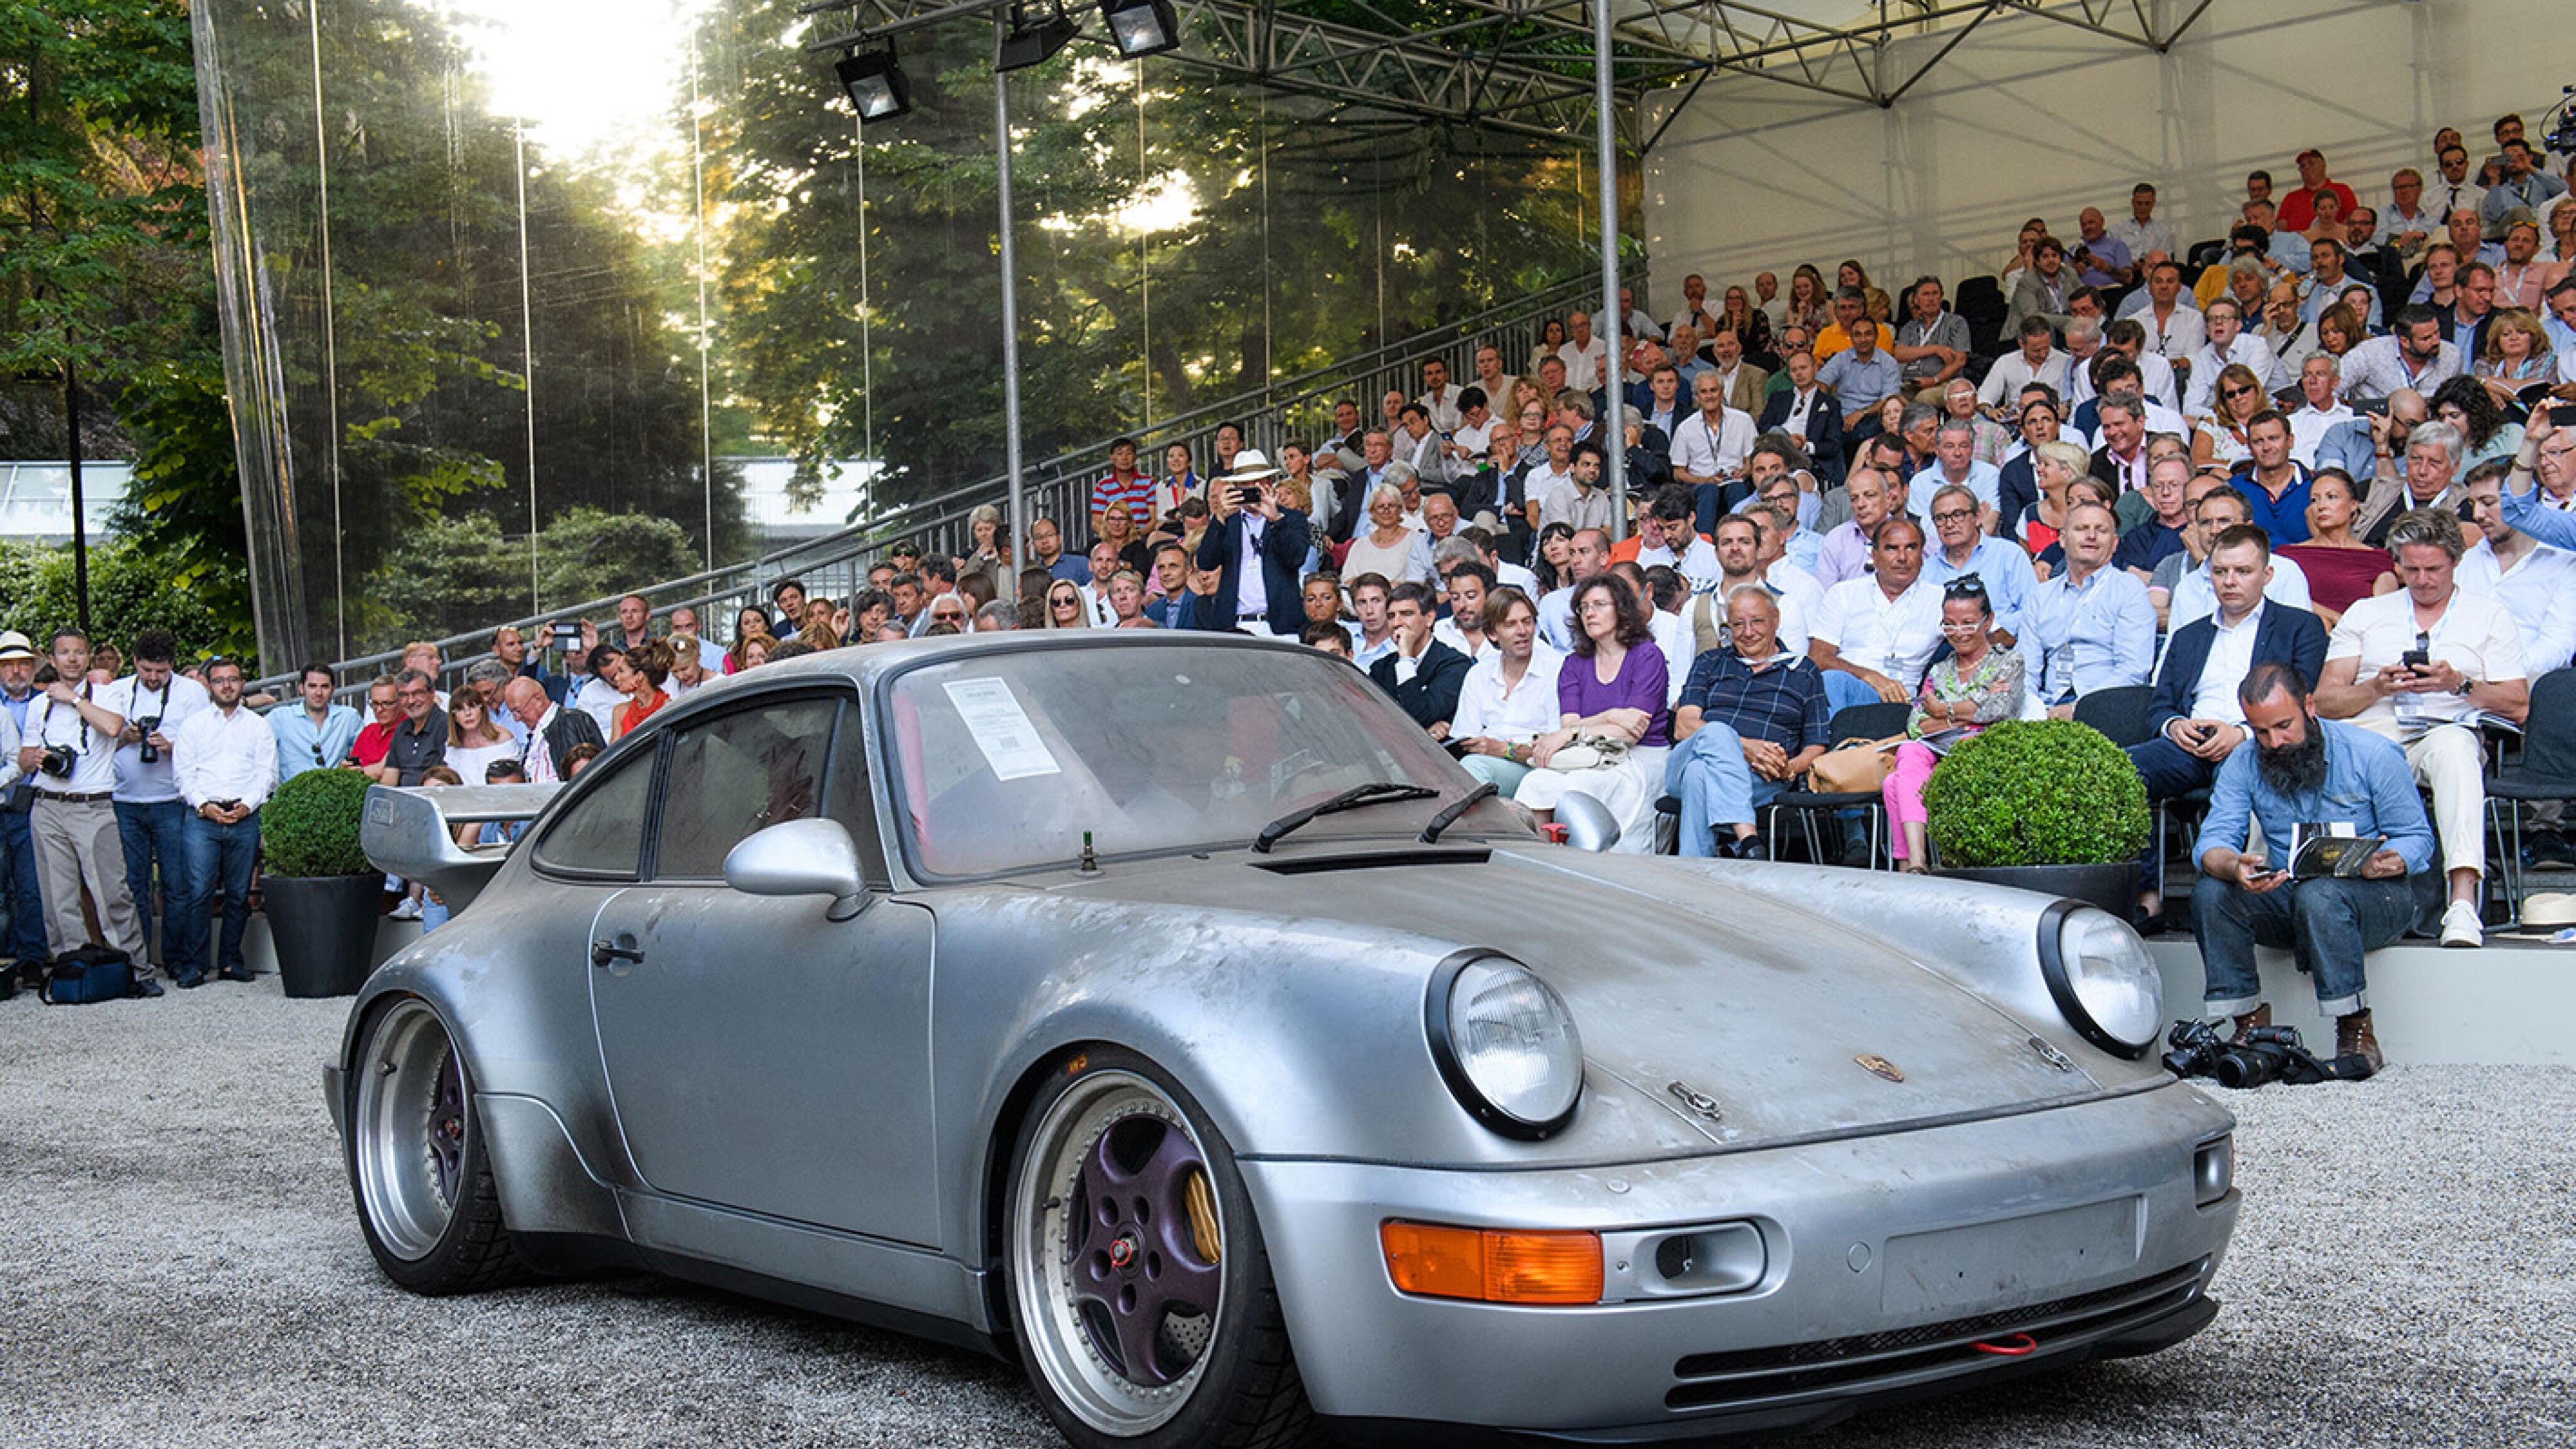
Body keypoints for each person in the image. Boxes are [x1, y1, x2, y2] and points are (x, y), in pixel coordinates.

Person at [2190, 660, 2434, 1071]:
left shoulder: (2373, 754)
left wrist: (2391, 861)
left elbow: (2418, 838)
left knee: (2320, 892)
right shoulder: (2244, 760)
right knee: (2211, 890)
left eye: (2284, 725)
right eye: (2262, 731)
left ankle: (2355, 1029)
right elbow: (2212, 843)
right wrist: (2233, 866)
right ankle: (2248, 1025)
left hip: (2375, 896)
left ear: (2309, 706)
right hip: (2292, 893)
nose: (2275, 742)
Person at [2315, 506, 2529, 949]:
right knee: (2344, 750)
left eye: (2434, 569)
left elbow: (2518, 705)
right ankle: (2333, 894)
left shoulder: (2488, 615)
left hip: (2446, 724)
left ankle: (2463, 901)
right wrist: (2376, 686)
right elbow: (2326, 702)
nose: (2423, 579)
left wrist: (2460, 683)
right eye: (2411, 569)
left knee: (2455, 748)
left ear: (2455, 561)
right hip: (2377, 725)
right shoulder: (2366, 612)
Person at [2128, 527, 2329, 924]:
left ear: (2266, 575)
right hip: (2190, 742)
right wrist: (2173, 726)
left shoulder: (2299, 627)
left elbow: (2303, 703)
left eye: (2242, 571)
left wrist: (2241, 731)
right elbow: (2160, 704)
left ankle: (2235, 895)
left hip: (2259, 742)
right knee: (2120, 771)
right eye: (2220, 572)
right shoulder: (2188, 635)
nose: (2230, 581)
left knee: (2243, 766)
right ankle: (2147, 896)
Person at [1665, 586, 1828, 860]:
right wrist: (1746, 748)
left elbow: (1816, 744)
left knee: (1699, 775)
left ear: (1776, 620)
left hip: (1762, 775)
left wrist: (1789, 769)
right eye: (1738, 624)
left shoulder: (1803, 671)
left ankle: (1693, 871)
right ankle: (1748, 837)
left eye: (1757, 622)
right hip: (1683, 766)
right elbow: (1684, 726)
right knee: (1717, 731)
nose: (1748, 632)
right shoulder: (1710, 662)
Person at [1512, 573, 1671, 853]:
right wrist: (1610, 715)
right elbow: (1570, 723)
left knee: (1581, 785)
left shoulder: (1647, 656)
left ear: (1621, 610)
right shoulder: (1574, 664)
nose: (1590, 613)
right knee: (1535, 782)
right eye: (1584, 607)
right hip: (1589, 751)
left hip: (1642, 756)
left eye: (1599, 605)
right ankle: (1541, 858)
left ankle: (1585, 863)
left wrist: (1578, 730)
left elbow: (1631, 730)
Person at [1885, 577, 2025, 872]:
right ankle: (1919, 861)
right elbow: (1916, 724)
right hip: (1937, 752)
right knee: (1910, 751)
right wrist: (1969, 710)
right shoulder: (1940, 669)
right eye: (1949, 625)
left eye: (1968, 623)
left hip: (1983, 752)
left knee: (1894, 783)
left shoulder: (2008, 661)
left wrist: (1943, 710)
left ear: (1988, 621)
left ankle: (1906, 866)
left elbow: (2000, 710)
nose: (1958, 633)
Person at [169, 658, 275, 986]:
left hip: (245, 815)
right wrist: (205, 806)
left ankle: (230, 960)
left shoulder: (258, 726)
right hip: (203, 817)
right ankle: (195, 964)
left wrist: (246, 806)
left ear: (243, 684)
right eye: (219, 681)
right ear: (209, 686)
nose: (226, 686)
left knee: (238, 893)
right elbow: (183, 774)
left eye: (233, 680)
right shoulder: (194, 725)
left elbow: (267, 773)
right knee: (199, 892)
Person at [2024, 501, 2156, 713]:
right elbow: (2027, 670)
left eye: (2101, 530)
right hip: (2047, 707)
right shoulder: (2040, 596)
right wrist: (2032, 710)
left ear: (2114, 544)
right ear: (2063, 539)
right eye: (2081, 529)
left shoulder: (2130, 590)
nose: (2091, 536)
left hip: (2108, 708)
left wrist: (2081, 708)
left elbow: (2133, 670)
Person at [1810, 516, 1944, 711]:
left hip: (1902, 702)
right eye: (1892, 548)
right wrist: (1868, 676)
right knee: (1832, 681)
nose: (1902, 557)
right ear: (1874, 555)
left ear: (1922, 556)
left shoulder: (1941, 600)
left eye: (1911, 548)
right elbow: (1818, 658)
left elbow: (1988, 632)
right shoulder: (1844, 593)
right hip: (1849, 693)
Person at [1450, 587, 1565, 797]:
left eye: (1527, 621)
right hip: (1486, 764)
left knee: (1473, 768)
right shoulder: (1479, 674)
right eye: (1510, 625)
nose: (1522, 631)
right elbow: (1465, 737)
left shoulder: (1556, 669)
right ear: (1492, 634)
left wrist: (1505, 750)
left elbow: (1556, 748)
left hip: (1536, 769)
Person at [1195, 451, 1310, 635]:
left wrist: (1275, 521)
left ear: (1270, 483)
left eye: (1258, 482)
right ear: (1235, 487)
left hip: (1281, 626)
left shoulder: (1291, 518)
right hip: (1235, 624)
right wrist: (1219, 520)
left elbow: (1296, 558)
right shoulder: (1227, 522)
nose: (1252, 489)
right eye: (1245, 484)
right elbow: (1206, 562)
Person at [1368, 581, 1472, 736]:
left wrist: (1405, 660)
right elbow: (1371, 722)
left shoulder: (1455, 664)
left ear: (1429, 619)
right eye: (1391, 616)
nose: (1397, 623)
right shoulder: (1380, 669)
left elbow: (1421, 716)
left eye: (1406, 614)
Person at [501, 675, 604, 785]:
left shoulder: (573, 722)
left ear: (538, 700)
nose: (516, 718)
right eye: (513, 713)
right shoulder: (536, 734)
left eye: (518, 711)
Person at [1343, 482, 1430, 587]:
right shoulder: (1360, 545)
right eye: (1381, 506)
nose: (1386, 511)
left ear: (1400, 509)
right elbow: (1347, 581)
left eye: (1391, 506)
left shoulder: (1416, 540)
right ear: (1372, 511)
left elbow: (1419, 581)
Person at [443, 688, 517, 788]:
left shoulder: (504, 738)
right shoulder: (452, 744)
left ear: (482, 710)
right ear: (454, 716)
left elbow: (513, 780)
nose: (468, 714)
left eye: (472, 707)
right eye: (460, 709)